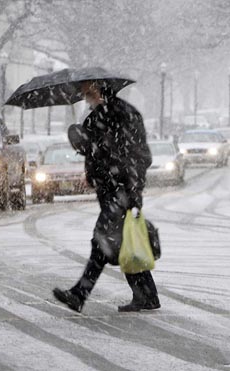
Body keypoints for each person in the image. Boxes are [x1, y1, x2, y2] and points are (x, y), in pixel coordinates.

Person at [53, 80, 160, 312]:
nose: (85, 96)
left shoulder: (124, 114)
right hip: (110, 191)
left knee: (100, 242)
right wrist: (79, 140)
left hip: (121, 191)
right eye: (83, 93)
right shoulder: (96, 117)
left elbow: (141, 157)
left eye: (88, 91)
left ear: (101, 89)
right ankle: (147, 295)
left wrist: (131, 190)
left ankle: (79, 294)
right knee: (123, 243)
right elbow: (91, 149)